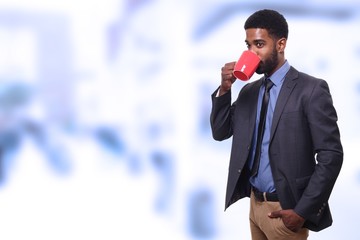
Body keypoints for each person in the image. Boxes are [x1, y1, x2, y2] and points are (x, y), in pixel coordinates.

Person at [210, 9, 343, 240]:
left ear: (280, 44)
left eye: (259, 44)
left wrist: (302, 212)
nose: (252, 52)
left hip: (286, 212)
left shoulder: (311, 90)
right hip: (254, 207)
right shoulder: (249, 92)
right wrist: (224, 89)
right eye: (248, 45)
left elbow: (331, 155)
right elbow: (220, 132)